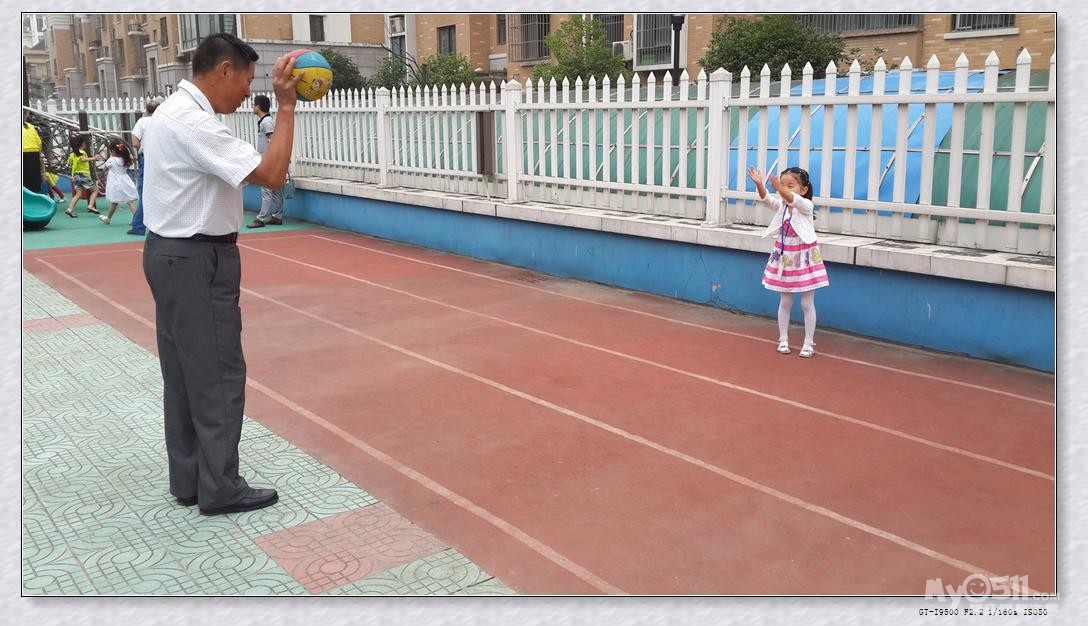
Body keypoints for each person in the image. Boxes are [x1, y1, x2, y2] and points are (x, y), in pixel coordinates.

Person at [141, 33, 299, 515]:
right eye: (247, 81)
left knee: (184, 374)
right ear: (224, 70)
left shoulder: (171, 112)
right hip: (196, 259)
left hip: (168, 253)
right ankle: (221, 487)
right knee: (217, 374)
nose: (248, 93)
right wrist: (287, 107)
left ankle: (191, 479)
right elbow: (271, 174)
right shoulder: (195, 124)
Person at [749, 165, 829, 358]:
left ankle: (808, 342)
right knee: (785, 301)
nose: (784, 190)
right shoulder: (782, 206)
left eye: (790, 186)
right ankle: (783, 339)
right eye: (782, 185)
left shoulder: (806, 206)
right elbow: (767, 199)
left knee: (807, 304)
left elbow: (794, 200)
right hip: (786, 259)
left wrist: (779, 187)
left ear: (804, 189)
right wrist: (760, 184)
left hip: (805, 260)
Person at [246, 94, 283, 228]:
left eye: (254, 104)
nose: (252, 107)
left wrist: (271, 157)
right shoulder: (265, 121)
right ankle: (277, 216)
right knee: (275, 189)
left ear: (258, 106)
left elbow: (273, 140)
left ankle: (262, 218)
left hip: (268, 160)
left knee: (266, 189)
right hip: (270, 159)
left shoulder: (266, 122)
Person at [128, 99, 161, 236]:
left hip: (146, 158)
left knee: (143, 192)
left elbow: (135, 143)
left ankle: (138, 226)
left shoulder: (142, 122)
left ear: (147, 111)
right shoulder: (163, 122)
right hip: (162, 158)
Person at [96, 140, 139, 225]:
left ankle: (108, 218)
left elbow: (104, 169)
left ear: (113, 151)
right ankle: (136, 218)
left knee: (114, 201)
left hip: (115, 183)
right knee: (130, 201)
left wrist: (102, 174)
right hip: (125, 180)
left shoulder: (111, 160)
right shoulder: (124, 159)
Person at [64, 135, 102, 218]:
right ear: (81, 144)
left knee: (78, 194)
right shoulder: (82, 152)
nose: (85, 144)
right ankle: (91, 206)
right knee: (95, 191)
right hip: (83, 175)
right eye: (84, 142)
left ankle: (70, 209)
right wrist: (94, 158)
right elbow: (83, 159)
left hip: (76, 175)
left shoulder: (73, 154)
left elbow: (69, 163)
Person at [22, 116, 43, 192]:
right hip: (34, 154)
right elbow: (39, 143)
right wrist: (38, 157)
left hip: (23, 153)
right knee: (34, 179)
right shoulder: (30, 126)